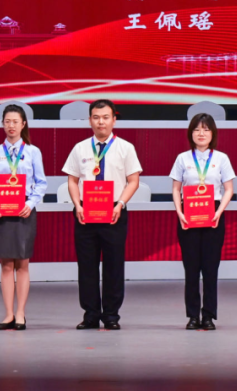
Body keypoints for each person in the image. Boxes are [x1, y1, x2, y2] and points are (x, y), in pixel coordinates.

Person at [62, 99, 142, 330]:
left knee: (113, 266)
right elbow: (72, 180)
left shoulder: (125, 147)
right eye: (96, 117)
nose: (101, 122)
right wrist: (77, 205)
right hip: (85, 212)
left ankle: (111, 315)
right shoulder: (80, 148)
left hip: (114, 212)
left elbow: (133, 180)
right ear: (90, 120)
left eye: (106, 117)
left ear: (114, 120)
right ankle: (90, 314)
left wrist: (121, 204)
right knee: (87, 266)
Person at [0, 104, 47, 331]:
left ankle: (21, 313)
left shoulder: (32, 151)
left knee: (22, 264)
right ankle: (8, 314)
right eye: (7, 121)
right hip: (1, 213)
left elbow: (41, 183)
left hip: (24, 212)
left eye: (15, 122)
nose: (11, 126)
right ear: (3, 124)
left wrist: (30, 204)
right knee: (6, 265)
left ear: (23, 124)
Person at [170, 112, 235, 330]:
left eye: (206, 129)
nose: (201, 133)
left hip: (213, 214)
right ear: (191, 133)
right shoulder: (182, 158)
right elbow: (176, 189)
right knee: (191, 269)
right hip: (188, 214)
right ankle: (192, 316)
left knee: (210, 268)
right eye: (197, 129)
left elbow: (228, 189)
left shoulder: (221, 158)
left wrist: (219, 212)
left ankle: (208, 316)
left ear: (213, 133)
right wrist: (179, 212)